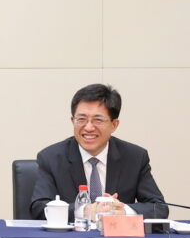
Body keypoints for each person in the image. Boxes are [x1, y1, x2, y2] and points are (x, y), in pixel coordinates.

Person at [30, 83, 167, 220]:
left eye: (98, 120)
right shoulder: (51, 158)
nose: (88, 128)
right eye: (81, 119)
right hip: (73, 234)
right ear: (72, 121)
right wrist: (84, 210)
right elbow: (39, 208)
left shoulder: (135, 157)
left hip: (116, 233)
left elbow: (159, 208)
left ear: (114, 125)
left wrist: (123, 211)